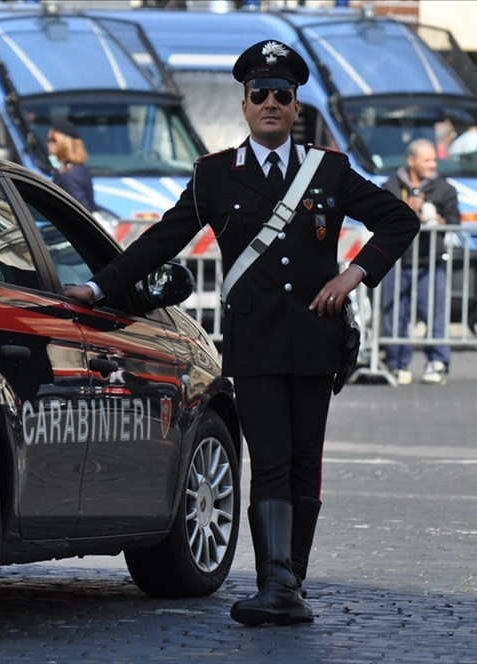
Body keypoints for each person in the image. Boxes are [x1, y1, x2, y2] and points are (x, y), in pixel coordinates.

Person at [63, 40, 419, 627]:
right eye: (261, 94)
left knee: (306, 462)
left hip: (315, 339)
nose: (272, 103)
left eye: (283, 94)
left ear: (297, 104)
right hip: (255, 345)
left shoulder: (327, 170)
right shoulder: (214, 175)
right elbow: (161, 240)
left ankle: (290, 580)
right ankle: (276, 579)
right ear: (245, 103)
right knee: (272, 458)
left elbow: (399, 219)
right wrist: (98, 289)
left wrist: (354, 275)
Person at [381, 138, 459, 385]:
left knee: (434, 311)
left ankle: (437, 362)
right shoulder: (390, 185)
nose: (433, 164)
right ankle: (397, 363)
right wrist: (405, 207)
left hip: (430, 259)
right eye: (427, 159)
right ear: (411, 160)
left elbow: (454, 221)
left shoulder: (444, 188)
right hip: (396, 259)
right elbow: (380, 214)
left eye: (434, 159)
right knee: (394, 312)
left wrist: (435, 218)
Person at [47, 120, 98, 212]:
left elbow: (80, 212)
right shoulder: (79, 169)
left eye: (52, 140)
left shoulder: (69, 175)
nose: (48, 144)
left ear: (62, 143)